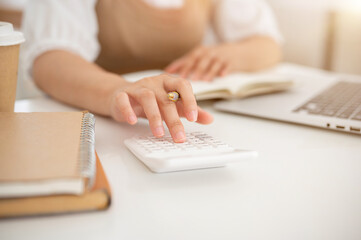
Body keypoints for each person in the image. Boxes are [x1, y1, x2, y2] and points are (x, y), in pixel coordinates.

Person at [21, 0, 283, 142]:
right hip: (103, 126)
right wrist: (118, 91)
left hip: (188, 122)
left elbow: (268, 43)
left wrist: (229, 54)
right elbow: (50, 59)